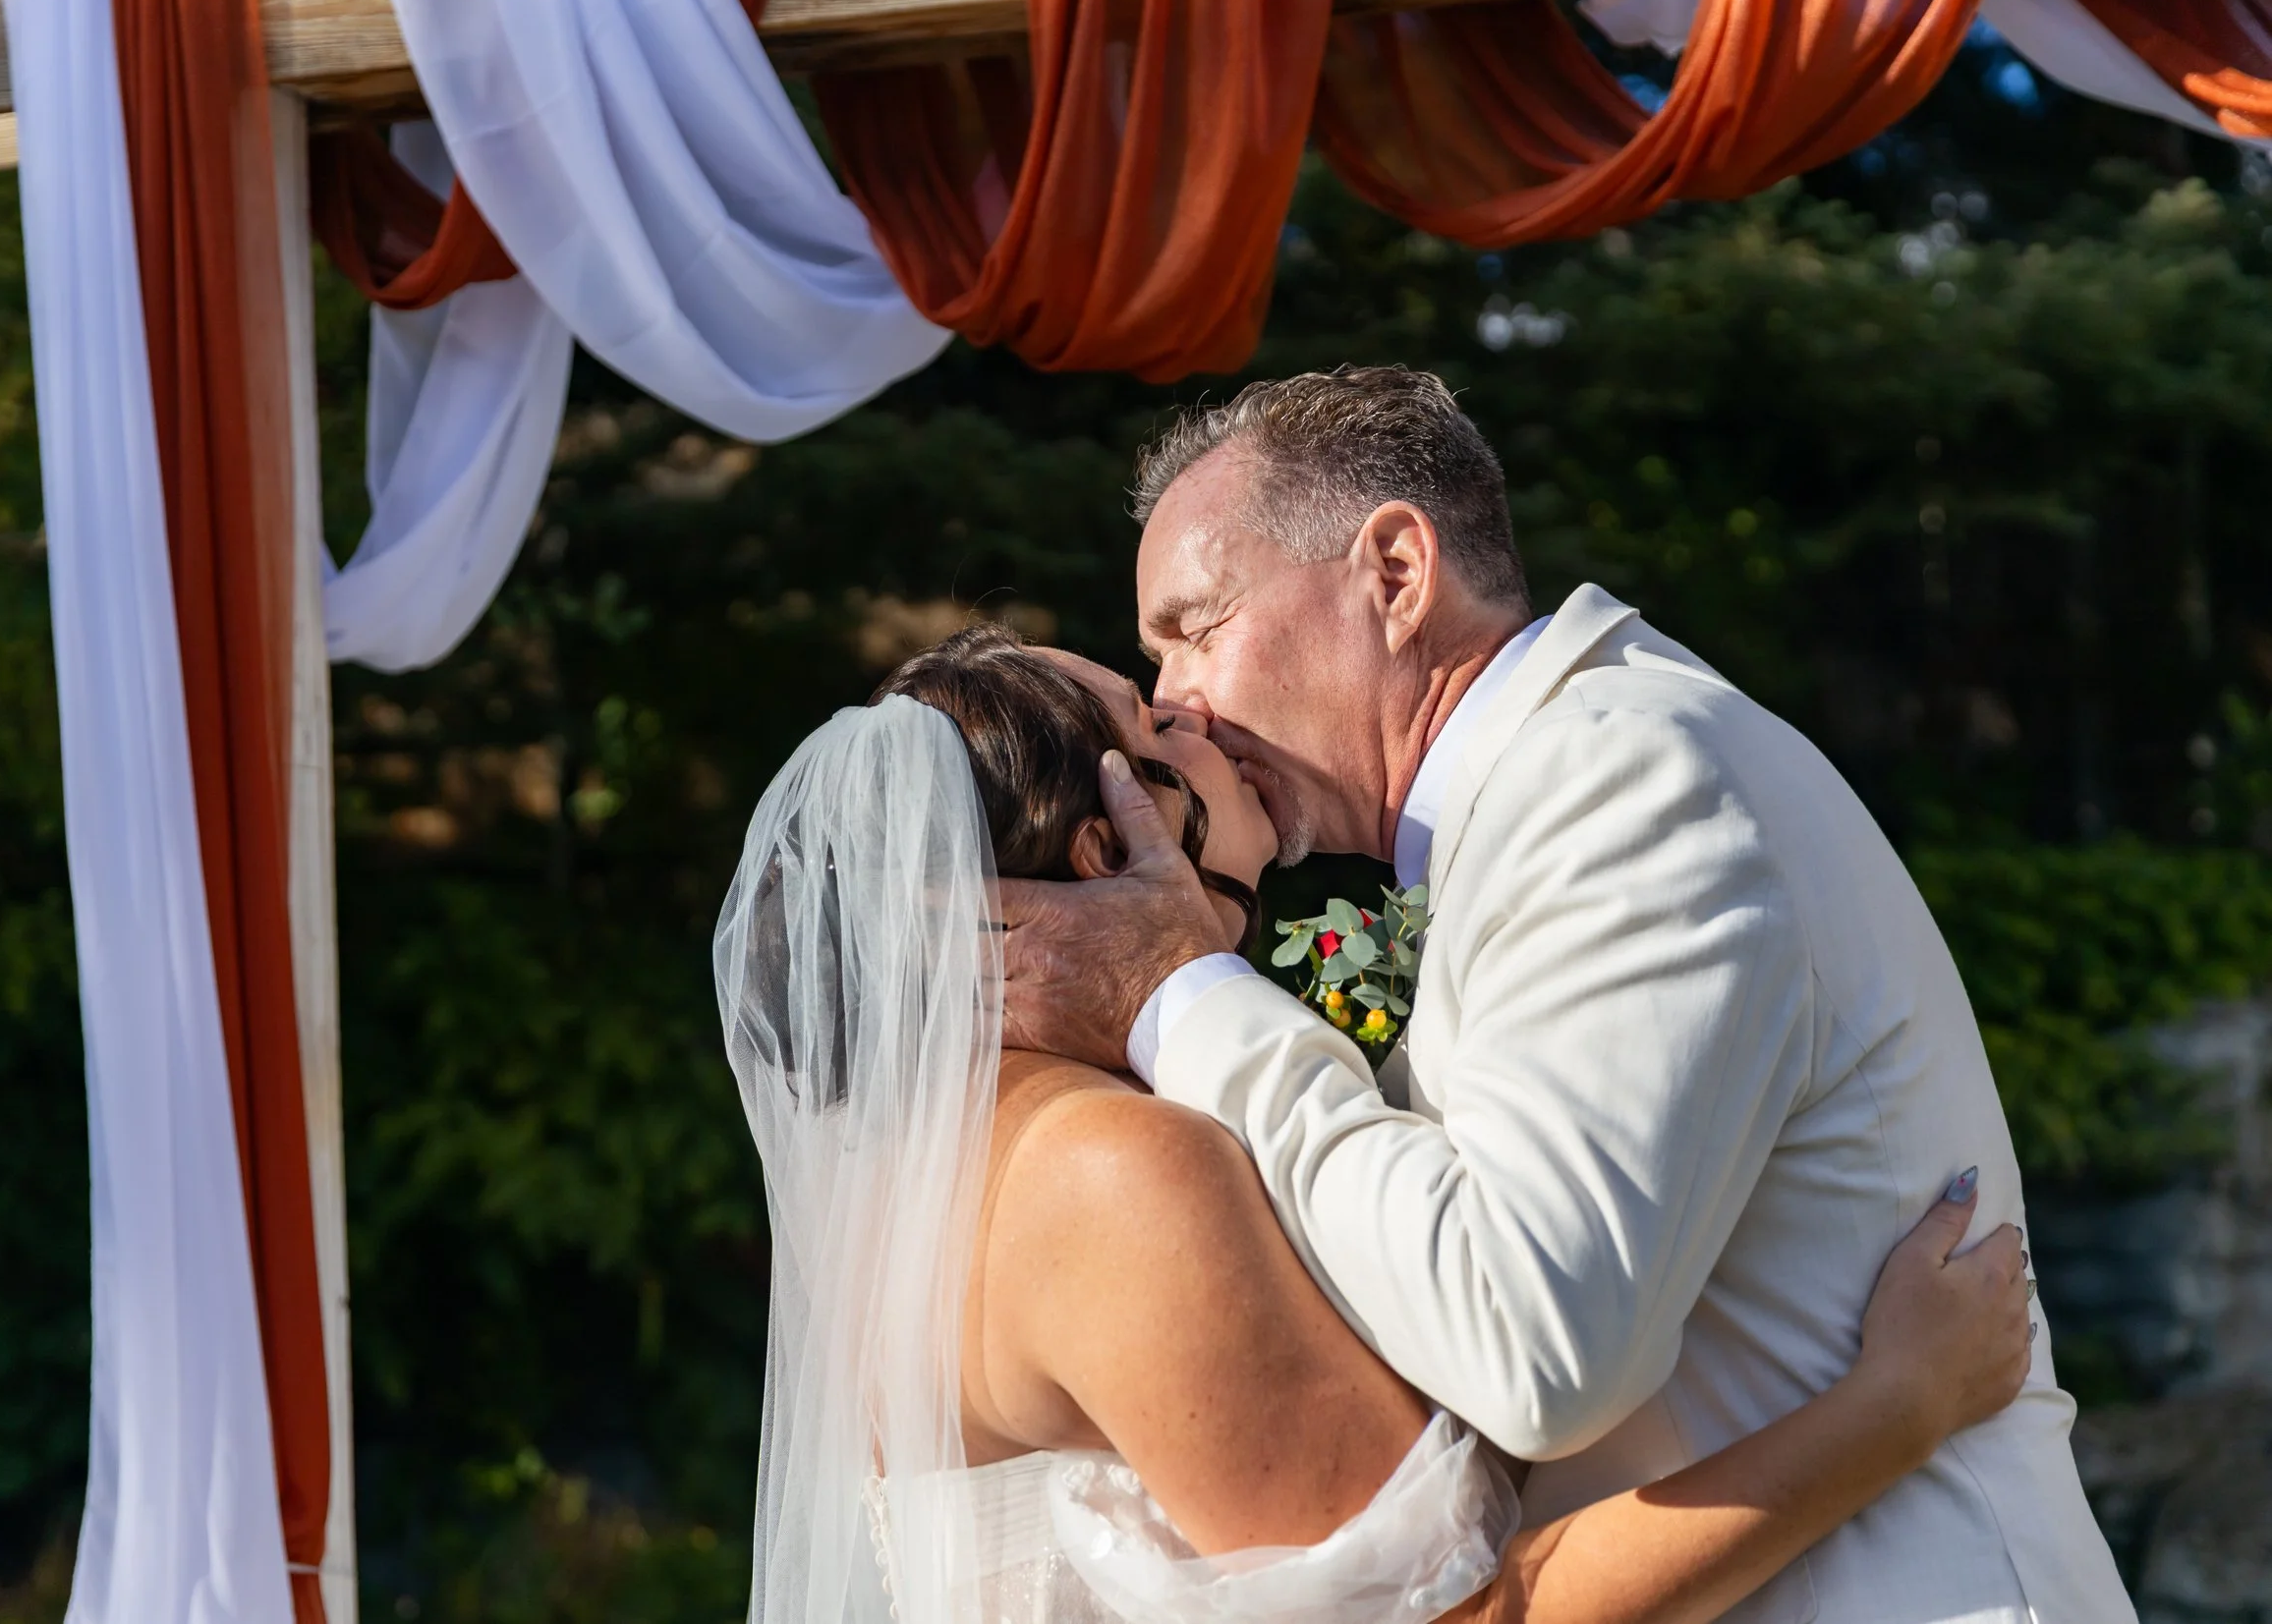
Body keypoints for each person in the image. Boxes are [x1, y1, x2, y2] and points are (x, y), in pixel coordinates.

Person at [996, 367, 2133, 1622]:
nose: (1173, 702)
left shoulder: (1626, 778)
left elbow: (1535, 1345)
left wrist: (1182, 996)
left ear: (1394, 573)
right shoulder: (1524, 806)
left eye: (1198, 624)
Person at [715, 624, 2035, 1624]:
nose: (1190, 708)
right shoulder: (1107, 1176)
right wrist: (1896, 1406)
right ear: (1102, 849)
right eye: (1149, 724)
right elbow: (1466, 1617)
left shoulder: (902, 1192)